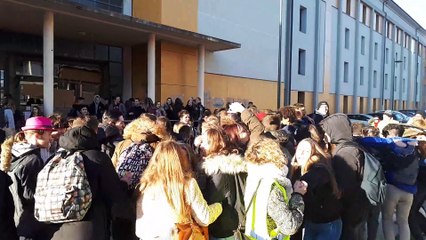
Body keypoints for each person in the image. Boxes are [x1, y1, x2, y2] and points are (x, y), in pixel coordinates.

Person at [46, 116, 128, 240]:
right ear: (94, 133)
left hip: (56, 226)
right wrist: (124, 183)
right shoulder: (98, 158)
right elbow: (114, 194)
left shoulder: (55, 158)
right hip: (89, 227)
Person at [135, 140, 223, 239]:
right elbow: (205, 218)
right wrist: (219, 206)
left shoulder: (145, 185)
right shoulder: (187, 184)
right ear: (181, 160)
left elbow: (140, 228)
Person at [0, 116, 54, 239]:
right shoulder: (33, 160)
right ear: (38, 134)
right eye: (48, 133)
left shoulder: (14, 153)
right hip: (31, 225)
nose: (51, 138)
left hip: (15, 222)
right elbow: (32, 197)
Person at [244, 137, 306, 239]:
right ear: (276, 155)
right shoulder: (272, 186)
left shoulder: (253, 177)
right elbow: (289, 226)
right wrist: (298, 195)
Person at [320, 113, 369, 240]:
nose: (325, 136)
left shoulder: (346, 152)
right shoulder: (351, 146)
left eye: (327, 132)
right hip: (355, 206)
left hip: (350, 210)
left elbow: (347, 186)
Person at [199, 127, 247, 239]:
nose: (201, 145)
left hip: (223, 226)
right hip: (234, 222)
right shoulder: (233, 163)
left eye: (205, 142)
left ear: (214, 144)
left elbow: (216, 198)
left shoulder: (217, 169)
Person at [293, 137, 342, 240]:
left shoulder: (319, 168)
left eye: (306, 151)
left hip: (327, 224)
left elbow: (317, 178)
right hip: (311, 221)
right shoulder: (297, 169)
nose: (301, 154)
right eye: (299, 150)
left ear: (314, 153)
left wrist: (303, 183)